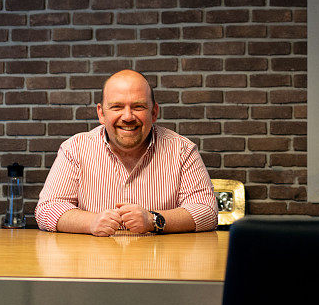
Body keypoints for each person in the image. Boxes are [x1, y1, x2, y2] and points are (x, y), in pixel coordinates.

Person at [36, 69, 217, 236]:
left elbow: (207, 211)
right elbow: (47, 209)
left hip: (160, 264)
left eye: (138, 107)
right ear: (101, 113)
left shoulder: (181, 150)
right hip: (94, 265)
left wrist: (153, 220)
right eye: (117, 107)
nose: (128, 117)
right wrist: (91, 222)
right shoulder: (75, 148)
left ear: (154, 113)